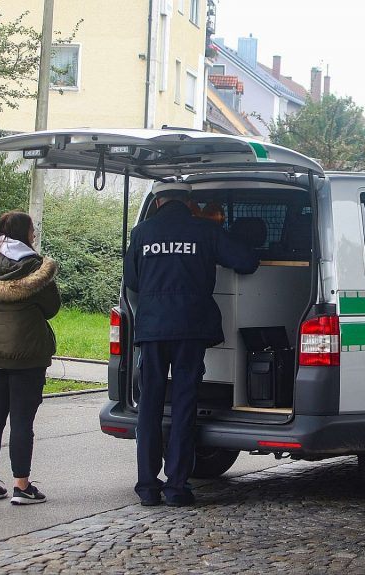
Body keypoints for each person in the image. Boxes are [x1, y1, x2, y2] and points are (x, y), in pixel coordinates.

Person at [125, 182, 259, 507]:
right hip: (189, 328)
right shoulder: (204, 230)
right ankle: (176, 487)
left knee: (149, 407)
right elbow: (245, 262)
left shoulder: (141, 233)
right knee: (184, 405)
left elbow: (131, 281)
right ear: (189, 203)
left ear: (158, 203)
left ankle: (146, 487)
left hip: (153, 329)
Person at [0, 211, 60, 504]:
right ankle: (21, 486)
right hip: (27, 355)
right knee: (21, 420)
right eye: (32, 230)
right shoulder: (34, 267)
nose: (34, 234)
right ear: (24, 233)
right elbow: (52, 307)